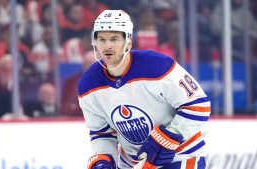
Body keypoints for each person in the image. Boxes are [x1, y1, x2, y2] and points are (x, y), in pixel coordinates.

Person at [78, 10, 210, 169]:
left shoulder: (157, 66)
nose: (107, 46)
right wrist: (104, 161)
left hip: (180, 156)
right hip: (132, 163)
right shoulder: (88, 84)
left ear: (128, 41)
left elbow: (199, 105)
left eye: (114, 39)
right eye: (102, 39)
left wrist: (171, 136)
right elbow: (101, 133)